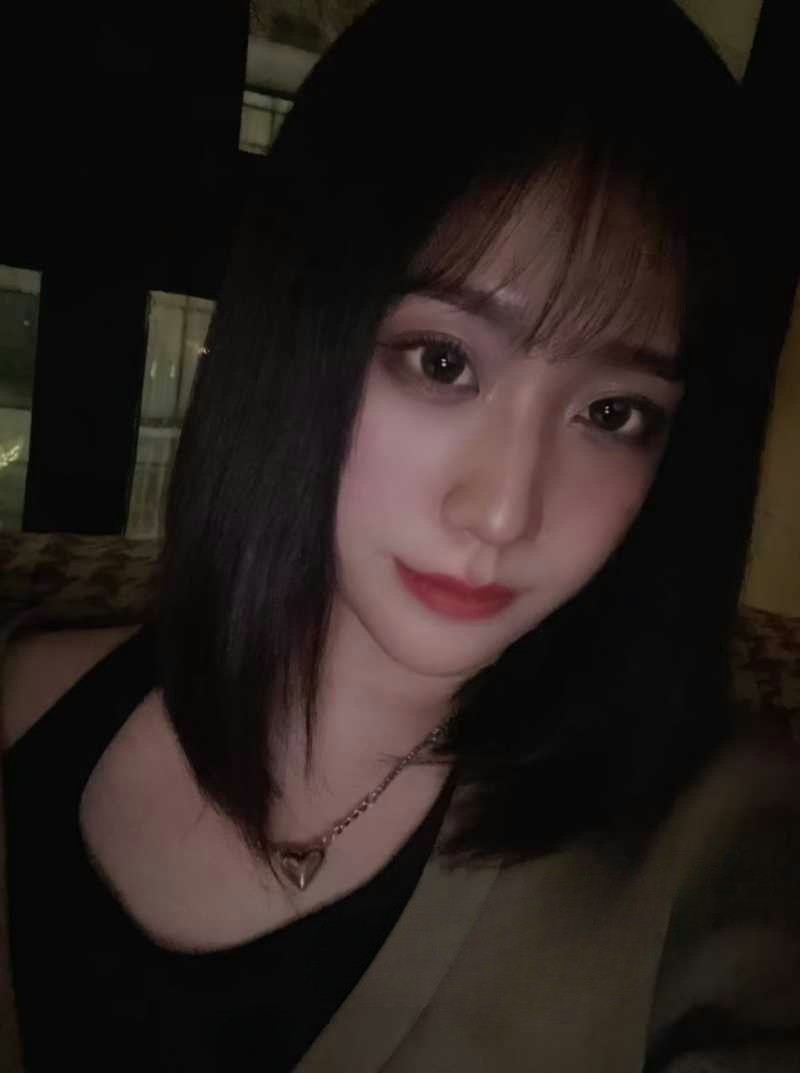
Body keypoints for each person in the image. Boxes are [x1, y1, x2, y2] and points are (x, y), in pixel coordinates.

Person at [1, 0, 799, 1070]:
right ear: (300, 329)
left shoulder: (724, 844)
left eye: (612, 413)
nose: (503, 510)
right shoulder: (25, 705)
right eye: (442, 361)